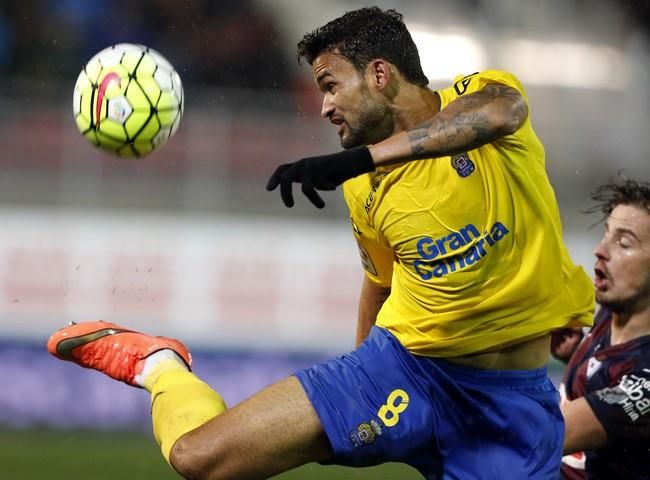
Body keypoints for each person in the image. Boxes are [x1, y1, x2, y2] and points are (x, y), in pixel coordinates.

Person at [48, 7, 595, 479]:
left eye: (331, 85)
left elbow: (501, 114)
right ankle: (160, 363)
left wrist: (358, 158)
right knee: (200, 460)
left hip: (511, 403)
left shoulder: (482, 95)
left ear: (380, 74)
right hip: (408, 370)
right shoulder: (362, 188)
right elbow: (379, 284)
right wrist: (360, 382)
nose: (325, 106)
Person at [551, 179, 650, 479]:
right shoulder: (613, 313)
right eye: (606, 233)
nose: (600, 250)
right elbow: (609, 374)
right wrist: (575, 354)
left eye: (624, 243)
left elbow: (545, 434)